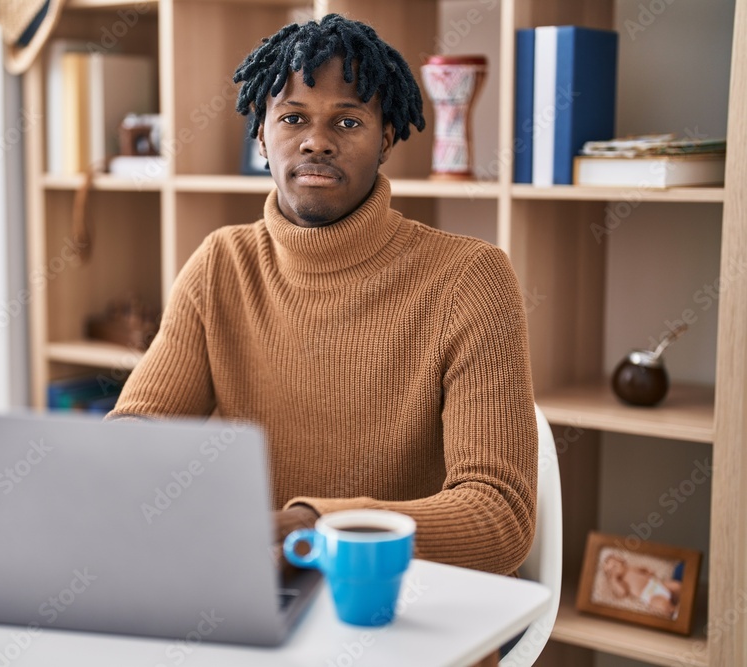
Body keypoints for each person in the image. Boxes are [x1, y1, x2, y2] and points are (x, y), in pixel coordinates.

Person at [106, 14, 537, 576]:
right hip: (258, 592)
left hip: (410, 608)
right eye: (292, 118)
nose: (316, 141)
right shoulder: (221, 265)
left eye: (348, 122)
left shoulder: (471, 278)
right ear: (261, 135)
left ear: (386, 137)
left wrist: (321, 525)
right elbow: (139, 432)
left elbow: (500, 517)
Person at [601, 553, 682, 619]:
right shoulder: (622, 582)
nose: (614, 570)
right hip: (650, 595)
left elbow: (642, 569)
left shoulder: (631, 568)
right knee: (662, 606)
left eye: (614, 565)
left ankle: (684, 599)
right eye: (610, 571)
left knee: (677, 586)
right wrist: (613, 580)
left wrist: (648, 571)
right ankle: (675, 611)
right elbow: (622, 593)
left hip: (658, 584)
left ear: (621, 561)